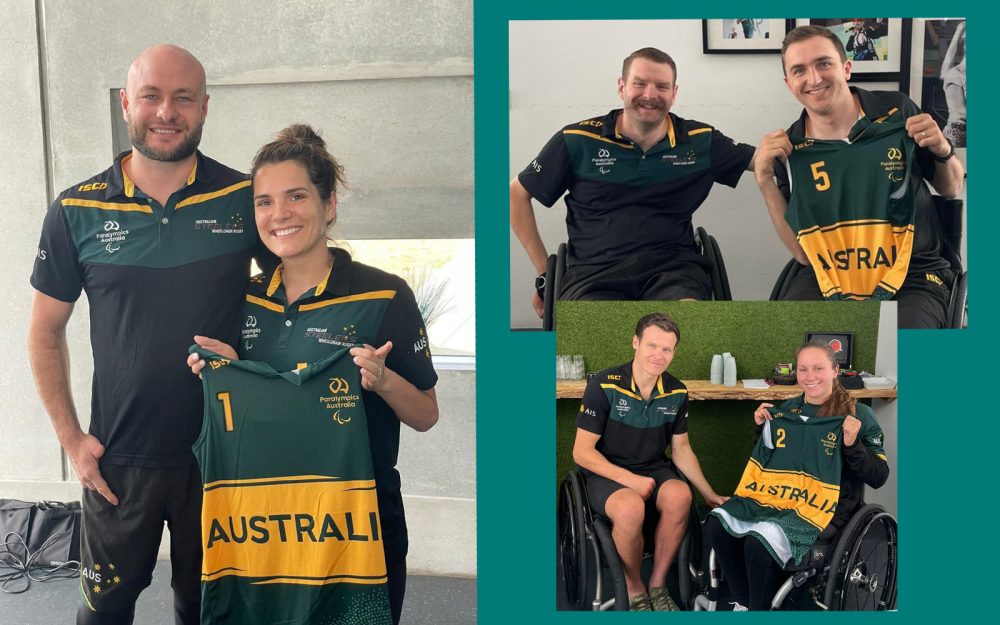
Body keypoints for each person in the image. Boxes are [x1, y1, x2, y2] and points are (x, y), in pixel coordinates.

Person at [28, 45, 266, 625]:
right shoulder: (75, 210)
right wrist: (71, 439)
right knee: (101, 616)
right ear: (126, 103)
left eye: (183, 97)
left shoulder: (244, 201)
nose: (167, 111)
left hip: (221, 458)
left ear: (204, 106)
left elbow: (294, 301)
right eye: (153, 96)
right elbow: (44, 332)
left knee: (206, 614)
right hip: (116, 464)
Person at [187, 124, 439, 625]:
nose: (279, 214)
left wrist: (384, 380)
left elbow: (427, 415)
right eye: (264, 202)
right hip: (263, 520)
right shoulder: (241, 300)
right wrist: (216, 367)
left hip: (358, 521)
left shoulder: (383, 295)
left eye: (296, 196)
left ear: (329, 205)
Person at [511, 47, 757, 316]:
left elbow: (762, 162)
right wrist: (545, 272)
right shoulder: (577, 139)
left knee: (685, 332)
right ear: (621, 87)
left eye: (661, 86)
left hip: (674, 272)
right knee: (599, 344)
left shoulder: (699, 139)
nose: (650, 95)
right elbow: (516, 194)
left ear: (674, 93)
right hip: (592, 276)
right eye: (639, 84)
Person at [754, 25, 966, 328]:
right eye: (799, 70)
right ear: (789, 83)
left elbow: (951, 187)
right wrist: (764, 181)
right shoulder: (789, 150)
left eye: (824, 64)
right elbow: (803, 254)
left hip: (913, 272)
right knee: (788, 342)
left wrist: (943, 149)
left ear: (846, 68)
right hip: (827, 275)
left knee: (902, 354)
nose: (814, 79)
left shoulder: (899, 112)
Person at [703, 340, 889, 610]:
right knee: (717, 523)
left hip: (826, 506)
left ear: (836, 370)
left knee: (758, 542)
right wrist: (762, 430)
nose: (810, 377)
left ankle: (758, 608)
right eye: (803, 369)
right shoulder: (788, 409)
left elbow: (879, 475)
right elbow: (775, 455)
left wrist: (852, 445)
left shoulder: (859, 414)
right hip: (780, 495)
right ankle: (744, 602)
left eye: (818, 368)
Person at [573, 312, 728, 611]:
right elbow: (582, 452)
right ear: (636, 343)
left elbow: (681, 449)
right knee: (630, 507)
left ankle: (657, 585)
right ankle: (635, 589)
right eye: (652, 346)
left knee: (681, 495)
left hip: (653, 466)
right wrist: (629, 480)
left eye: (667, 349)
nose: (658, 355)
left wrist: (708, 493)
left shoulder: (676, 391)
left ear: (674, 352)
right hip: (605, 471)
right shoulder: (604, 385)